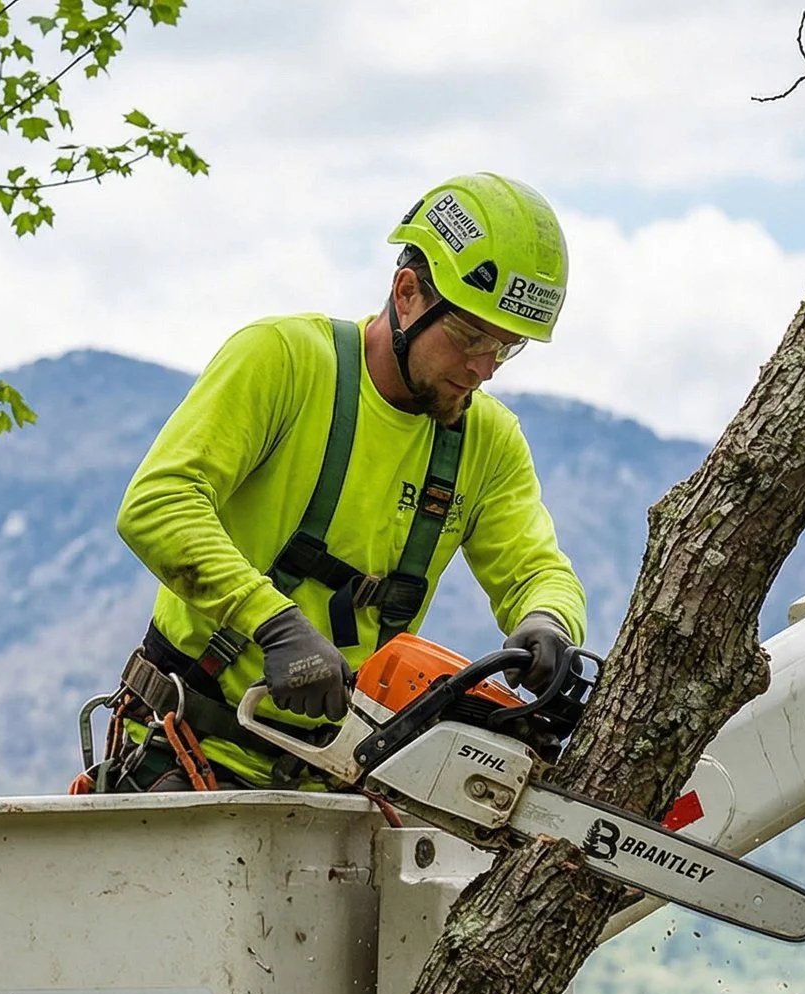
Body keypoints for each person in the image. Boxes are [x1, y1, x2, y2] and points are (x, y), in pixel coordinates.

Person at [98, 173, 591, 792]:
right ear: (407, 294)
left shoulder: (487, 442)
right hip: (187, 751)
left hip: (343, 783)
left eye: (506, 347)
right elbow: (156, 503)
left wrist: (548, 621)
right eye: (470, 337)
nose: (483, 368)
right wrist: (272, 622)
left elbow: (537, 570)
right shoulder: (285, 362)